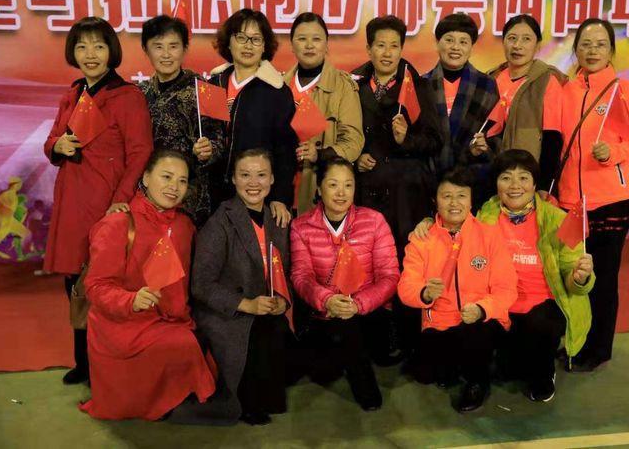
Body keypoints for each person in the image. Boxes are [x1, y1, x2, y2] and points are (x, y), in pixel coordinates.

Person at [43, 16, 153, 385]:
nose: (90, 54)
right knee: (74, 281)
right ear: (73, 52)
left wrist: (121, 200)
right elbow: (52, 140)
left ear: (111, 52)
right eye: (82, 46)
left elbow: (140, 152)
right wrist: (57, 146)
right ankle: (85, 364)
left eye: (99, 46)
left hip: (107, 203)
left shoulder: (128, 96)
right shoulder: (73, 93)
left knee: (105, 284)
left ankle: (108, 364)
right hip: (72, 200)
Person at [80, 150, 215, 420]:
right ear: (145, 177)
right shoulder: (118, 223)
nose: (174, 187)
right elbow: (95, 287)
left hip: (171, 318)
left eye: (182, 181)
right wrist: (130, 300)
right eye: (166, 177)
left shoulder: (185, 225)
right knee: (184, 345)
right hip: (124, 323)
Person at [557, 18, 629, 371]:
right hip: (569, 202)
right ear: (575, 49)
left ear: (611, 50)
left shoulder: (624, 90)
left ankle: (597, 349)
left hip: (610, 200)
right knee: (572, 277)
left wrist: (614, 152)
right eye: (585, 44)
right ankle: (575, 342)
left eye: (600, 44)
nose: (592, 51)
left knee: (603, 280)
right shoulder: (565, 90)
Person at [184, 148, 293, 426]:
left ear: (272, 179)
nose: (253, 183)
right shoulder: (219, 222)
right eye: (245, 175)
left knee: (281, 331)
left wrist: (283, 299)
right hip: (227, 311)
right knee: (259, 334)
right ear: (233, 179)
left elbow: (286, 272)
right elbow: (201, 285)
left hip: (266, 306)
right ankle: (247, 402)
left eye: (261, 175)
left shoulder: (277, 218)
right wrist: (247, 305)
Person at [475, 150, 594, 402]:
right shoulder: (486, 213)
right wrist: (429, 221)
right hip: (500, 300)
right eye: (506, 178)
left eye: (523, 178)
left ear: (534, 184)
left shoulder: (557, 219)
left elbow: (572, 280)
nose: (514, 185)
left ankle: (544, 374)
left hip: (544, 304)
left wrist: (580, 277)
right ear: (496, 183)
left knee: (539, 326)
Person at [398, 168, 517, 413]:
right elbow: (406, 287)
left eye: (461, 196)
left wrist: (481, 309)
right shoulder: (421, 239)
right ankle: (457, 365)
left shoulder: (490, 235)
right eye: (447, 196)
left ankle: (478, 383)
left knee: (475, 336)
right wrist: (425, 293)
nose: (454, 203)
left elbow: (506, 289)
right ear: (435, 200)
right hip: (440, 322)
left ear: (471, 201)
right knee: (426, 374)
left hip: (482, 320)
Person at [290, 157, 399, 411]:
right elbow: (301, 276)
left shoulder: (374, 221)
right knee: (323, 367)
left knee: (349, 329)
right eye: (333, 185)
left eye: (348, 185)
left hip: (370, 313)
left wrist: (358, 304)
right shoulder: (301, 226)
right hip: (325, 313)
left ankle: (366, 389)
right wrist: (327, 299)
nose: (341, 193)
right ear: (319, 188)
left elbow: (390, 276)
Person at [351, 15, 443, 260]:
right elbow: (343, 134)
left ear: (401, 49)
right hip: (366, 188)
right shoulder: (353, 84)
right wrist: (356, 158)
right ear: (369, 49)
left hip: (406, 192)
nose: (387, 53)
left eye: (394, 46)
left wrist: (406, 140)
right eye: (380, 45)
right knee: (367, 258)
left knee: (405, 258)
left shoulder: (417, 86)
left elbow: (435, 140)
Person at [208, 8, 297, 227]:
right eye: (241, 37)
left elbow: (285, 149)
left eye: (256, 39)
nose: (248, 45)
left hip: (257, 194)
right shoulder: (213, 84)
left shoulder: (277, 91)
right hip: (213, 194)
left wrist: (280, 196)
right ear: (229, 42)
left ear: (265, 46)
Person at [138, 15, 225, 226]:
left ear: (185, 49)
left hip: (192, 199)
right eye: (158, 47)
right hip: (148, 196)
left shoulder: (208, 88)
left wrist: (209, 150)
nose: (166, 54)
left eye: (173, 46)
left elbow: (223, 140)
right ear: (146, 50)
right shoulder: (138, 93)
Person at [283, 12, 364, 213]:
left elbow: (353, 141)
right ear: (292, 45)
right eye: (302, 39)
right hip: (280, 191)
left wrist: (319, 154)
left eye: (317, 39)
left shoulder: (342, 86)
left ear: (327, 45)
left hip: (320, 192)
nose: (309, 45)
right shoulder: (278, 86)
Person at [422, 13, 498, 206]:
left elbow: (495, 135)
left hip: (472, 181)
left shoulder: (487, 85)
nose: (455, 47)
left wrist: (480, 148)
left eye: (463, 42)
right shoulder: (421, 84)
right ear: (437, 43)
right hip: (427, 181)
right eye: (449, 40)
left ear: (471, 47)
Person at [486, 14, 566, 193]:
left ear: (537, 46)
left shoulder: (547, 80)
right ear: (503, 42)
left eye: (526, 39)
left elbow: (552, 139)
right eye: (512, 38)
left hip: (527, 179)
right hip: (492, 174)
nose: (517, 45)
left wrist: (544, 185)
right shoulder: (492, 78)